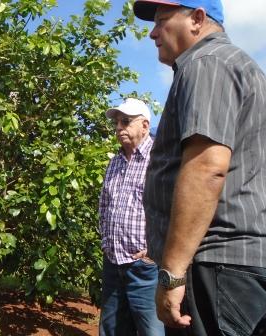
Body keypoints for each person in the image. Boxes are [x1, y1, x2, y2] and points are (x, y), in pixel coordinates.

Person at [133, 1, 266, 335]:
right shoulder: (239, 66)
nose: (152, 32)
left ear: (197, 19)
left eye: (162, 20)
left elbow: (207, 168)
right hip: (235, 267)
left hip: (215, 266)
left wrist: (173, 272)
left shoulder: (206, 63)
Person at [99, 98, 164, 336]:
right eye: (117, 122)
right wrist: (106, 242)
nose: (118, 127)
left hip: (144, 266)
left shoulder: (159, 160)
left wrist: (155, 248)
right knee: (112, 328)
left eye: (126, 121)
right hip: (113, 262)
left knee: (151, 330)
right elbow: (105, 205)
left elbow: (173, 207)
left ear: (145, 125)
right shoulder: (115, 162)